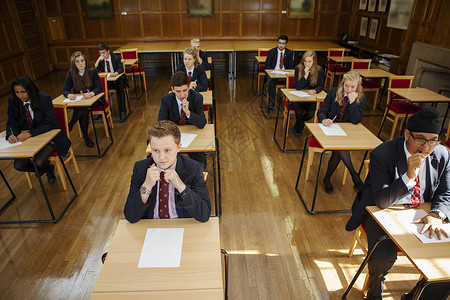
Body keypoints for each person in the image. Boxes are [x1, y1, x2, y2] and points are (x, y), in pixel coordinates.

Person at [346, 107, 450, 300]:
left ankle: (417, 296)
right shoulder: (383, 153)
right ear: (407, 134)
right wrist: (408, 177)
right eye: (420, 139)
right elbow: (381, 200)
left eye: (433, 140)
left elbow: (447, 191)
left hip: (422, 212)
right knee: (382, 256)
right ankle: (374, 293)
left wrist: (437, 215)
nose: (426, 147)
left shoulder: (443, 154)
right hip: (381, 209)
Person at [124, 120, 211, 223]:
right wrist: (146, 186)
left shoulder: (193, 168)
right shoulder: (140, 168)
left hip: (181, 226)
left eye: (167, 150)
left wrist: (181, 187)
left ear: (178, 147)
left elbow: (204, 214)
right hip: (151, 227)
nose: (161, 157)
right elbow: (130, 216)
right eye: (156, 150)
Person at [6, 76, 71, 184]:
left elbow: (50, 123)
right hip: (29, 141)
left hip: (49, 136)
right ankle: (48, 169)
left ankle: (44, 169)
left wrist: (30, 134)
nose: (20, 95)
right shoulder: (13, 101)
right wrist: (10, 134)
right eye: (16, 92)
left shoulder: (44, 99)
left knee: (39, 162)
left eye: (23, 92)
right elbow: (12, 122)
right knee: (18, 165)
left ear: (30, 90)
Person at [317, 70, 366, 193]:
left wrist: (352, 102)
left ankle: (327, 178)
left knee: (339, 150)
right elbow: (321, 111)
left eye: (352, 87)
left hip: (346, 133)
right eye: (346, 86)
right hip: (330, 130)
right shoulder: (334, 92)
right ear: (342, 84)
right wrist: (324, 120)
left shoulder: (361, 98)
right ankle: (355, 177)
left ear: (358, 86)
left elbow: (356, 120)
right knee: (340, 149)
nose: (349, 89)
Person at [158, 71, 207, 168]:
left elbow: (202, 123)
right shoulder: (166, 100)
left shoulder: (197, 98)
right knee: (169, 162)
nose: (182, 95)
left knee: (201, 163)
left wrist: (188, 113)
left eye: (185, 90)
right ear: (172, 89)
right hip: (174, 137)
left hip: (193, 137)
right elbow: (161, 123)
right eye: (178, 91)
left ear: (189, 86)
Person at [62, 51, 107, 147]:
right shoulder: (71, 72)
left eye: (82, 61)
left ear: (85, 61)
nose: (80, 63)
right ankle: (86, 137)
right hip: (80, 101)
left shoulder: (92, 71)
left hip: (95, 100)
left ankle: (71, 124)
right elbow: (65, 89)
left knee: (83, 109)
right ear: (74, 64)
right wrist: (69, 95)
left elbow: (99, 88)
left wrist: (91, 93)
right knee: (83, 110)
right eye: (77, 61)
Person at [292, 50, 324, 136]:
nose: (307, 64)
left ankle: (298, 124)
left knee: (310, 114)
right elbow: (297, 87)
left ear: (314, 61)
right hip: (298, 97)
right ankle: (300, 126)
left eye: (309, 61)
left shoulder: (319, 70)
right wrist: (305, 76)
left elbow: (320, 86)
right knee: (298, 112)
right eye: (305, 61)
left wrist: (314, 90)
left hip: (310, 97)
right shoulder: (298, 68)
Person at [94, 43, 128, 121]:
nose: (102, 55)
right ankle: (100, 110)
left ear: (108, 51)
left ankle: (123, 111)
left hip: (117, 79)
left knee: (120, 90)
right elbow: (94, 71)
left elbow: (121, 68)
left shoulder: (115, 58)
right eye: (100, 53)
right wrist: (98, 61)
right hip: (107, 81)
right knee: (99, 90)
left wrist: (115, 73)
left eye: (103, 53)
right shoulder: (101, 60)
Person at [265, 34, 294, 112]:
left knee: (293, 82)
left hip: (285, 74)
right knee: (271, 83)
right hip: (274, 73)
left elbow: (291, 66)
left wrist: (285, 72)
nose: (281, 45)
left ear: (286, 44)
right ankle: (271, 104)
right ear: (277, 43)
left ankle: (291, 104)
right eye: (280, 43)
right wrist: (273, 72)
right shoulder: (271, 52)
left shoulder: (289, 53)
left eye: (283, 43)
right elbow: (267, 66)